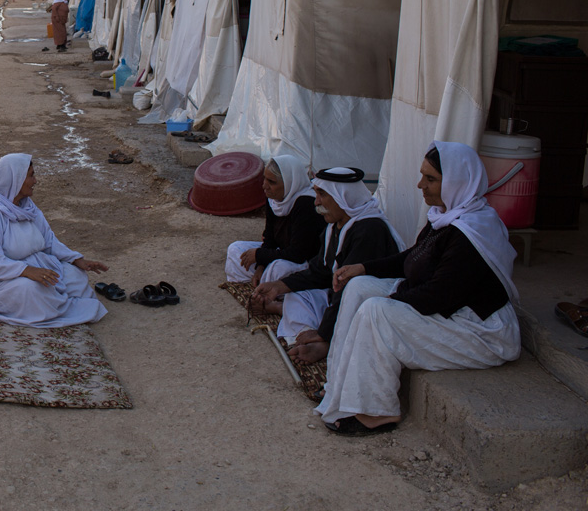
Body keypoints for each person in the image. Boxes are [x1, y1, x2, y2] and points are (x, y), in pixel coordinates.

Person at [316, 142, 521, 435]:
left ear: (457, 182)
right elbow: (413, 259)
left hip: (481, 333)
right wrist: (363, 268)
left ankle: (377, 411)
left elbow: (438, 296)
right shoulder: (446, 216)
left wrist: (389, 300)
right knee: (360, 287)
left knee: (377, 310)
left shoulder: (471, 233)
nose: (419, 185)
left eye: (431, 179)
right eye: (422, 176)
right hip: (451, 313)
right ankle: (338, 388)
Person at [0, 153, 109, 327]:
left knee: (77, 277)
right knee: (32, 290)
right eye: (31, 175)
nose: (35, 180)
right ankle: (59, 306)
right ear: (16, 179)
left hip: (28, 265)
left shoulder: (27, 206)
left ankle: (59, 303)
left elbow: (49, 240)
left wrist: (76, 260)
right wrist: (27, 270)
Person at [251, 167, 403, 351]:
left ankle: (324, 343)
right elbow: (320, 271)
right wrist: (280, 285)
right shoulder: (335, 226)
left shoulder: (369, 230)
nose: (317, 202)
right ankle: (307, 337)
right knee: (296, 297)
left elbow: (349, 289)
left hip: (368, 305)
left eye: (322, 195)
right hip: (338, 296)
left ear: (342, 197)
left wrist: (325, 333)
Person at [223, 154, 326, 284]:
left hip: (303, 260)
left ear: (289, 182)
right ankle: (258, 282)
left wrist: (260, 255)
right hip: (282, 253)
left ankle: (270, 288)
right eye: (265, 179)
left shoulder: (306, 204)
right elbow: (269, 236)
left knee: (278, 269)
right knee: (235, 249)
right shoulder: (274, 198)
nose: (264, 186)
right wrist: (261, 265)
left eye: (272, 182)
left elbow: (298, 254)